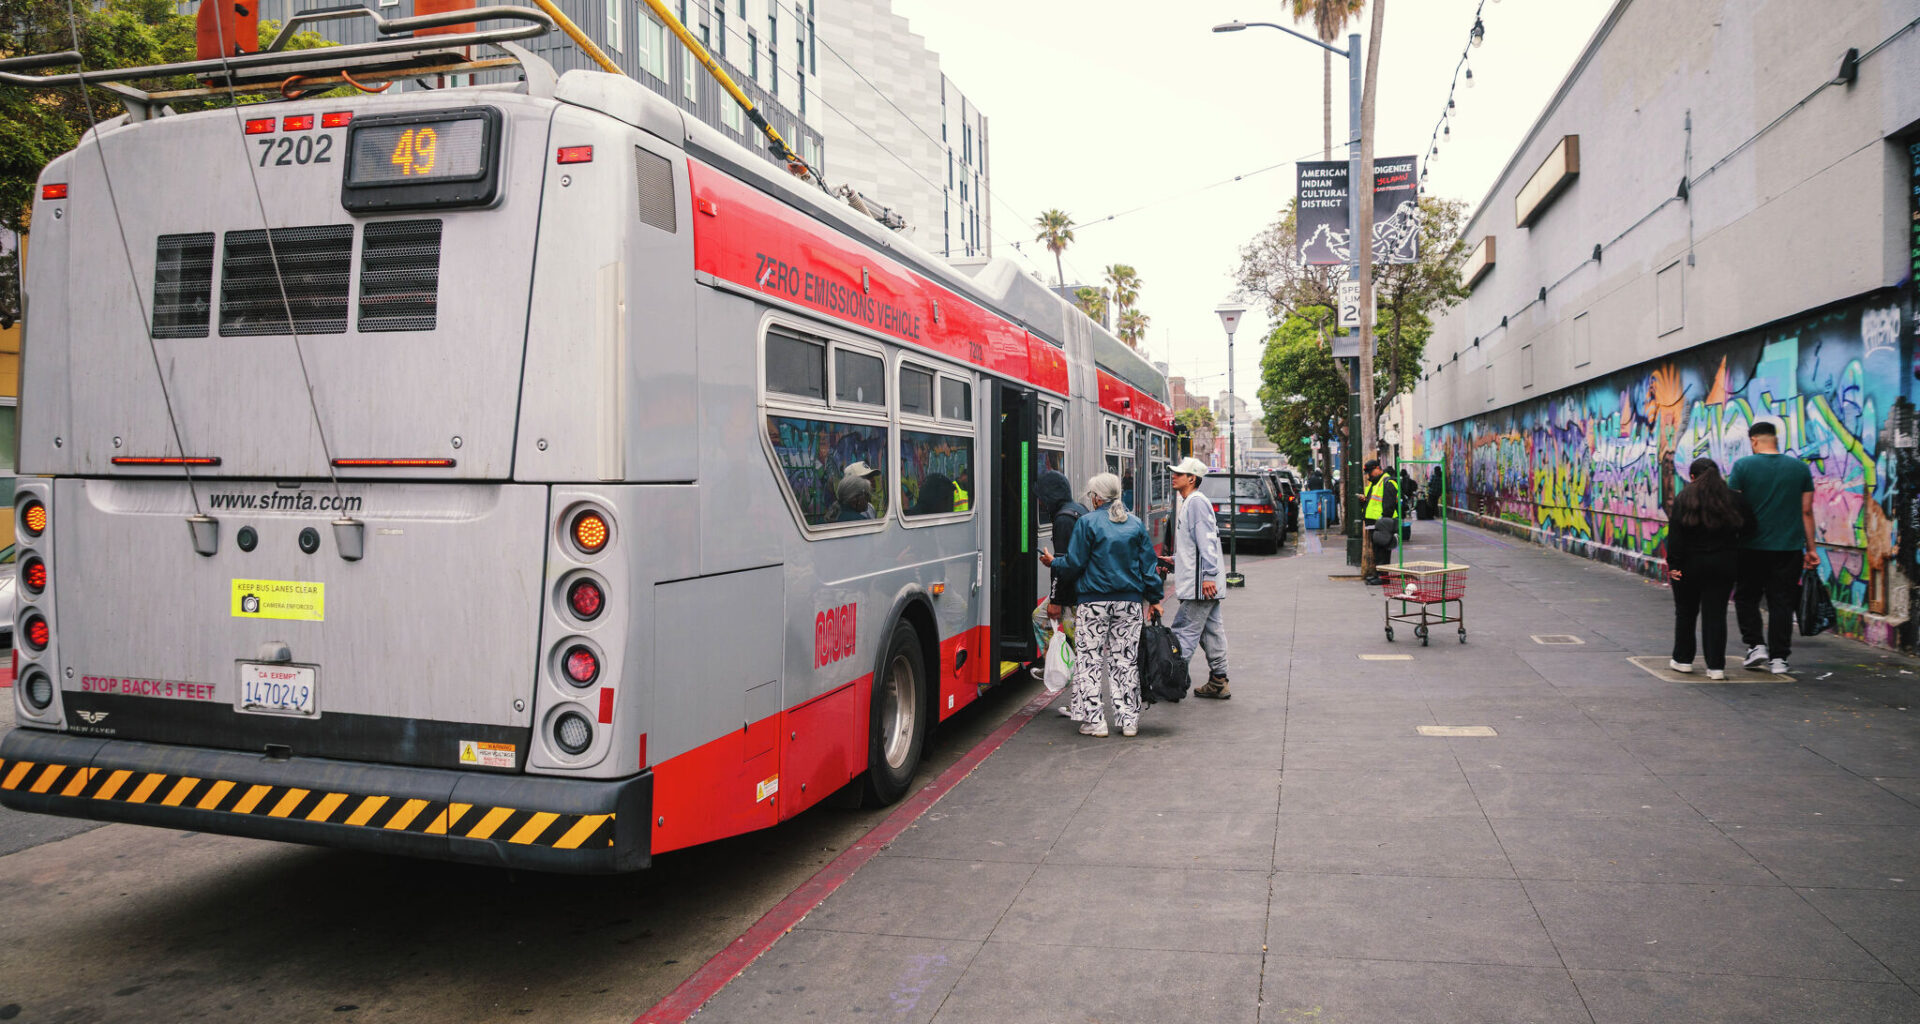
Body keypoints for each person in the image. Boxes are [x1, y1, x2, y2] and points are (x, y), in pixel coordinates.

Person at [1039, 473, 1163, 738]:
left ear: (1096, 498)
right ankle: (1128, 721)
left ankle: (1095, 722)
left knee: (1090, 661)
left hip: (1093, 603)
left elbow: (1074, 564)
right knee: (1125, 661)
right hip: (1129, 604)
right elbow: (1149, 568)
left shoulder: (1087, 523)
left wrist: (1054, 563)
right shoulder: (1135, 524)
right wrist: (1154, 599)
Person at [1729, 421, 1818, 674]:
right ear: (1775, 439)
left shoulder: (1742, 466)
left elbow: (1733, 507)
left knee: (1746, 597)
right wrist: (1811, 549)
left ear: (1754, 440)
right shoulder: (1799, 468)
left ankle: (1756, 645)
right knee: (1782, 601)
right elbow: (1807, 511)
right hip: (1788, 548)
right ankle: (1780, 658)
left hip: (1750, 547)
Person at [1666, 458, 1755, 680]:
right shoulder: (1734, 499)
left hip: (1689, 564)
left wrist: (1674, 564)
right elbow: (1751, 528)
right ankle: (1716, 667)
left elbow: (1676, 536)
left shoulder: (1684, 497)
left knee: (1685, 612)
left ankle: (1683, 660)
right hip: (1723, 564)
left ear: (1693, 477)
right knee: (1716, 615)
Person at [1168, 456, 1231, 698]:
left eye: (1179, 473)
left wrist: (1207, 576)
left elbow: (1207, 544)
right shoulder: (1193, 502)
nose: (1174, 476)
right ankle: (1218, 680)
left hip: (1199, 586)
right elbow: (1195, 546)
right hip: (1203, 583)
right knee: (1212, 632)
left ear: (1192, 479)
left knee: (1184, 632)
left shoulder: (1195, 502)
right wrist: (1174, 562)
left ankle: (1171, 682)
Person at [1030, 469, 1088, 690]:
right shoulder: (1078, 510)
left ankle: (1069, 677)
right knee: (1039, 618)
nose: (1042, 503)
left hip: (1072, 594)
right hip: (1077, 588)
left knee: (1075, 642)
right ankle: (1055, 663)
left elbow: (1062, 565)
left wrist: (1055, 601)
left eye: (1043, 498)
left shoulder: (1063, 519)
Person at [1361, 459, 1399, 585]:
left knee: (1382, 551)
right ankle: (1379, 574)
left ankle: (1383, 577)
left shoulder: (1388, 482)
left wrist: (1383, 521)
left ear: (1378, 468)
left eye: (1370, 472)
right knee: (1378, 550)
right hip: (1375, 522)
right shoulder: (1376, 483)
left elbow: (1389, 505)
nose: (1369, 475)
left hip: (1382, 523)